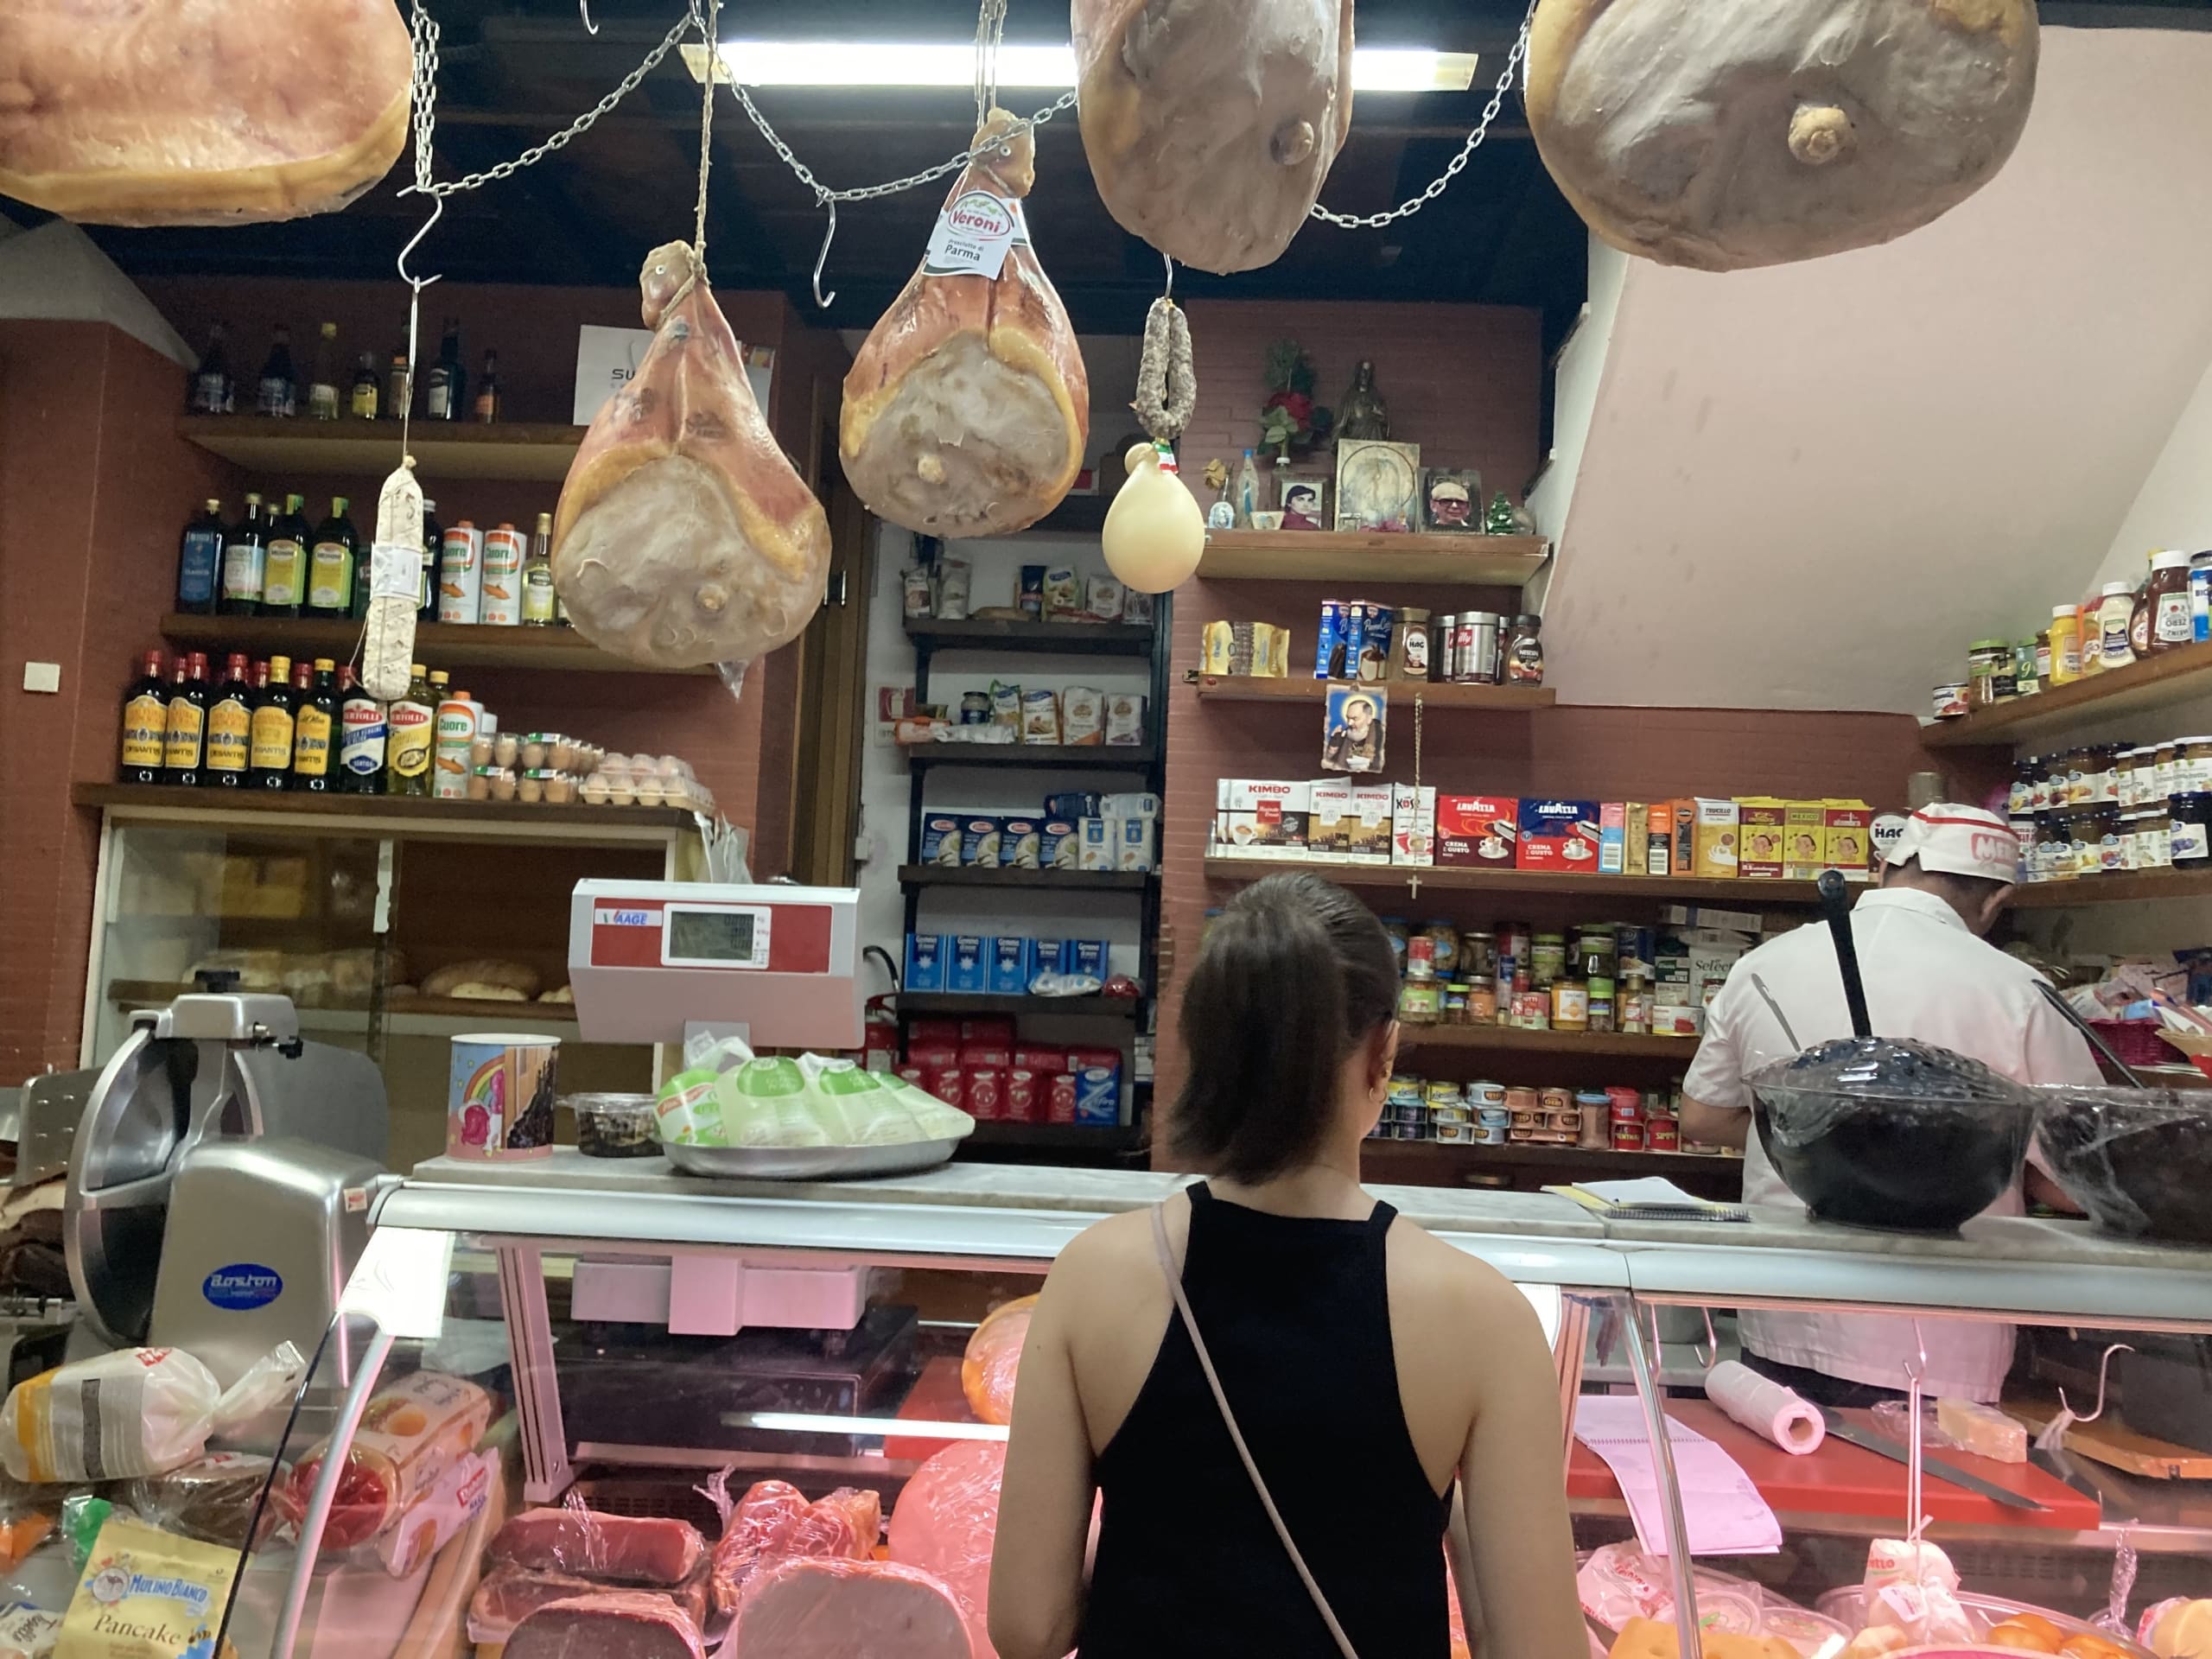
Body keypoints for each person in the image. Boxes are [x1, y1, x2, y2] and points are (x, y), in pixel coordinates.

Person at [988, 874, 1585, 1659]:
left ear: (1204, 1050)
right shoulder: (1483, 1318)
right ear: (1382, 1055)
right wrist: (1443, 1490)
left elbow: (1028, 1628)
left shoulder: (1092, 1275)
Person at [1681, 804, 2101, 1406]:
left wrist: (1815, 1133)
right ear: (1996, 900)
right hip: (1938, 1336)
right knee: (1919, 1474)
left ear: (1882, 868)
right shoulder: (2019, 990)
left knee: (1783, 1464)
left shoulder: (1761, 965)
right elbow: (2079, 1180)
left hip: (1781, 1312)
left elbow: (1702, 1118)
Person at [1323, 691, 1383, 772]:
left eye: (1355, 719)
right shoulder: (1344, 734)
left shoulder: (1381, 734)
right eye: (1348, 718)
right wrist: (1334, 743)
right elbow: (1330, 762)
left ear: (1368, 719)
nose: (1349, 723)